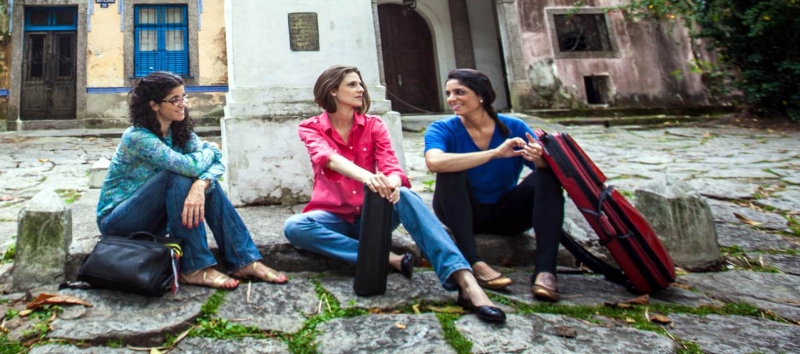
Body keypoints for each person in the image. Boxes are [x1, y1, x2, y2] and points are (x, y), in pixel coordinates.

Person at [284, 65, 505, 323]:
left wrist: (389, 183)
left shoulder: (374, 125)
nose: (361, 89)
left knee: (407, 196)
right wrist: (367, 177)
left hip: (375, 217)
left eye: (360, 84)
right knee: (295, 226)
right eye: (352, 85)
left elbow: (392, 168)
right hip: (335, 218)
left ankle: (466, 281)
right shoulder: (311, 128)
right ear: (333, 91)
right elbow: (327, 158)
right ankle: (388, 258)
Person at [97, 71, 288, 290]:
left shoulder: (179, 131)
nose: (182, 105)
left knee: (206, 185)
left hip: (156, 219)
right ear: (154, 105)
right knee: (177, 177)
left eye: (183, 97)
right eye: (174, 100)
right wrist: (210, 149)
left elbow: (216, 164)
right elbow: (191, 165)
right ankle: (193, 267)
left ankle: (243, 259)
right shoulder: (137, 137)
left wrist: (201, 184)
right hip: (119, 221)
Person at [424, 69, 565, 302]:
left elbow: (543, 166)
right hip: (463, 211)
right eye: (449, 93)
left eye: (460, 92)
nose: (451, 99)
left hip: (507, 214)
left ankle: (546, 270)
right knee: (450, 168)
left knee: (547, 174)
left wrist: (538, 157)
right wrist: (494, 154)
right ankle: (473, 261)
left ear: (481, 96)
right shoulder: (443, 128)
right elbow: (434, 162)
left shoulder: (514, 127)